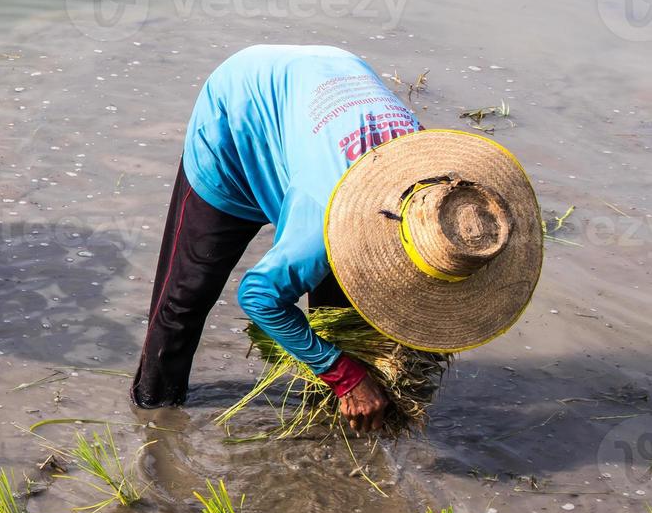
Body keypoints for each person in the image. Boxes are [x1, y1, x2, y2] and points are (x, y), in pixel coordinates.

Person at [131, 44, 542, 432]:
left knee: (339, 315)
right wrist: (346, 377)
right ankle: (154, 417)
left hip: (330, 82)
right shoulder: (324, 212)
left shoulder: (443, 189)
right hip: (239, 114)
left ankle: (326, 423)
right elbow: (258, 296)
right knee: (187, 297)